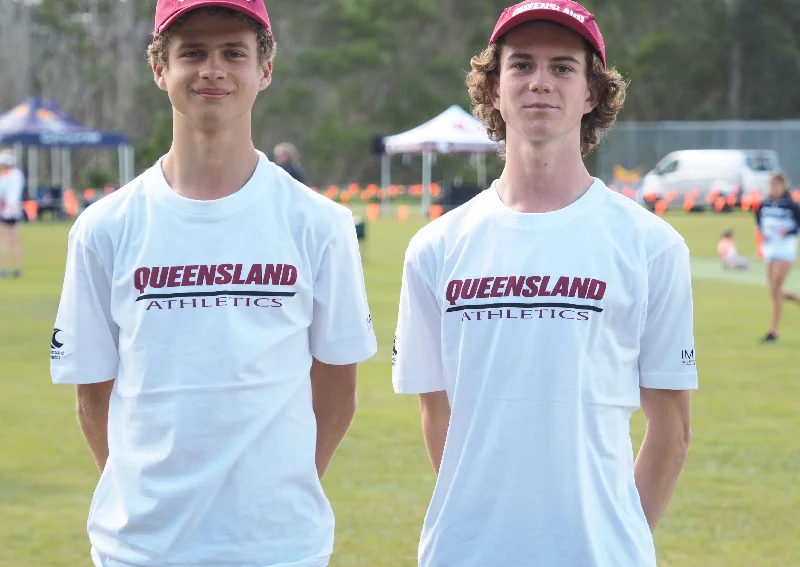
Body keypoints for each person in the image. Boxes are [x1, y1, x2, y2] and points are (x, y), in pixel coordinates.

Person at [50, 2, 377, 567]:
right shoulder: (105, 229)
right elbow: (93, 394)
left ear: (265, 70)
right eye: (192, 53)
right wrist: (148, 505)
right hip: (140, 549)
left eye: (234, 52)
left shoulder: (319, 224)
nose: (213, 69)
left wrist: (279, 493)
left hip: (278, 547)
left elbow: (337, 390)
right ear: (160, 69)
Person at [392, 2, 698, 566]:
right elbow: (438, 415)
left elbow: (671, 427)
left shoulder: (650, 246)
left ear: (591, 94)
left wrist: (620, 535)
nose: (540, 82)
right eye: (521, 65)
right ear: (494, 88)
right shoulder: (435, 248)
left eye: (562, 67)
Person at [755, 170, 800, 342]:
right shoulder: (765, 203)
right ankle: (796, 299)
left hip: (785, 249)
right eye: (770, 185)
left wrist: (788, 231)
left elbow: (798, 225)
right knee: (774, 290)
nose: (772, 188)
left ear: (783, 185)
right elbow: (759, 220)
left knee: (776, 285)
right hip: (770, 248)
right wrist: (763, 233)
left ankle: (773, 330)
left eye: (775, 185)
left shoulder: (791, 205)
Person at [0, 151, 25, 278]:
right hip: (15, 208)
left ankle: (3, 269)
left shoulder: (5, 176)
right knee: (15, 240)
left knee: (4, 238)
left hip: (5, 209)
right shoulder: (18, 174)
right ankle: (17, 269)